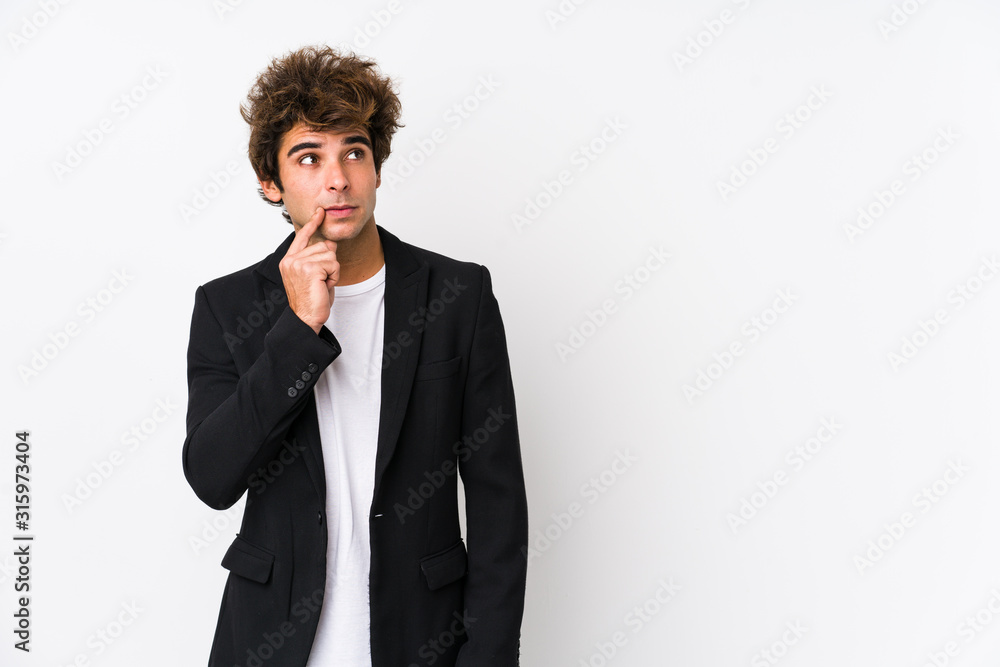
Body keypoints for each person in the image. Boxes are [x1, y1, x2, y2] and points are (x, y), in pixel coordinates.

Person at [181, 44, 527, 667]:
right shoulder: (227, 307)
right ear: (270, 181)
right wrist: (298, 329)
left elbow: (498, 504)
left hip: (421, 639)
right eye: (309, 157)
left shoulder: (459, 296)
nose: (337, 179)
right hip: (270, 644)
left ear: (376, 167)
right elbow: (212, 478)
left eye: (354, 152)